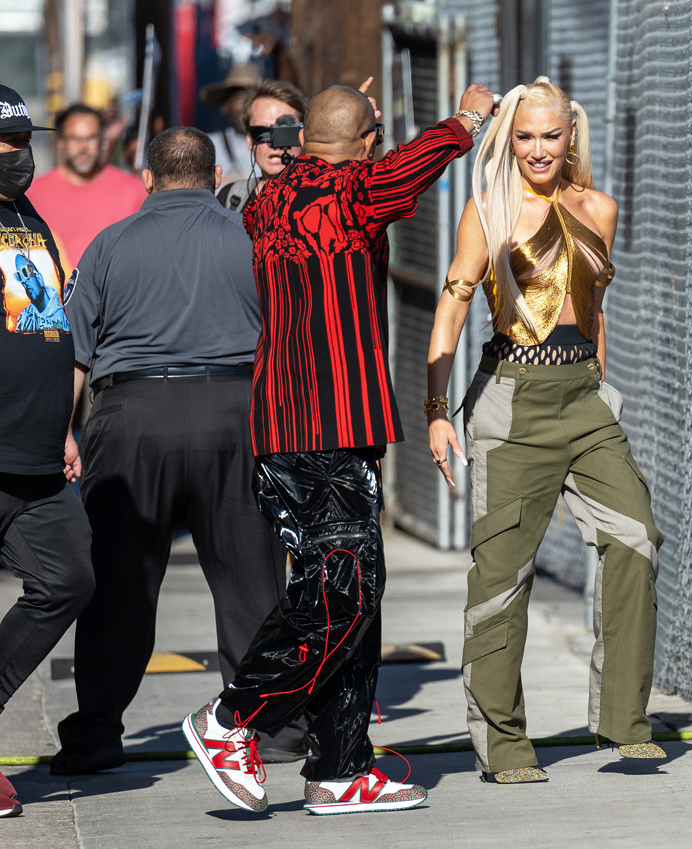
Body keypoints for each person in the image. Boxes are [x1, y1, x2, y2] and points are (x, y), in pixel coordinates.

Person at [181, 79, 499, 815]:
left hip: (297, 430)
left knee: (353, 593)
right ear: (362, 147)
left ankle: (341, 764)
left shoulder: (268, 201)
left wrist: (356, 133)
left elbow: (349, 165)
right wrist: (470, 116)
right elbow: (414, 162)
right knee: (341, 594)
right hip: (320, 432)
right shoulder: (355, 192)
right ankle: (231, 718)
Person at [425, 77, 665, 784]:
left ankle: (625, 721)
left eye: (550, 136)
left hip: (583, 399)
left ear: (571, 136)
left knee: (637, 538)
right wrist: (436, 412)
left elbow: (595, 311)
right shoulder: (489, 209)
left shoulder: (599, 208)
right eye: (524, 136)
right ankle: (503, 744)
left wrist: (601, 382)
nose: (537, 149)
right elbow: (452, 308)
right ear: (511, 138)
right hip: (509, 400)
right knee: (502, 577)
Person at [49, 126, 299, 776]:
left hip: (132, 421)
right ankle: (269, 729)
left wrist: (60, 434)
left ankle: (97, 733)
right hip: (236, 416)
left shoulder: (108, 245)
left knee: (120, 583)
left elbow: (73, 351)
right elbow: (286, 340)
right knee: (253, 582)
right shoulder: (252, 239)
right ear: (216, 178)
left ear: (148, 179)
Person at [0, 84, 95, 818]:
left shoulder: (26, 216)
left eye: (25, 143)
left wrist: (63, 424)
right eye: (6, 147)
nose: (19, 158)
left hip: (35, 450)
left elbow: (43, 323)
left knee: (67, 577)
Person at [26, 104, 147, 270]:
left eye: (91, 138)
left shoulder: (133, 189)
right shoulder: (34, 194)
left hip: (117, 294)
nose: (83, 147)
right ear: (60, 141)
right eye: (75, 139)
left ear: (102, 139)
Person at [217, 79, 307, 214]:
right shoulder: (230, 200)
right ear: (249, 139)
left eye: (285, 133)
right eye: (262, 133)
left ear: (303, 137)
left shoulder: (327, 200)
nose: (274, 145)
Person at [199, 64, 263, 186]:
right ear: (225, 106)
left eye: (251, 99)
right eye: (240, 99)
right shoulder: (206, 147)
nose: (246, 107)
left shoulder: (273, 147)